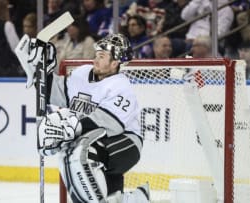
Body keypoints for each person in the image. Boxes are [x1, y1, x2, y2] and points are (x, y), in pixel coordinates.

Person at [15, 33, 150, 202]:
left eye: (102, 57)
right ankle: (135, 199)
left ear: (115, 62)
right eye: (96, 55)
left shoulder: (121, 86)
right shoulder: (82, 74)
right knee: (68, 155)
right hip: (92, 139)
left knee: (83, 152)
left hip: (127, 143)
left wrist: (71, 127)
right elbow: (57, 93)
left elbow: (111, 123)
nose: (95, 60)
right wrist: (41, 71)